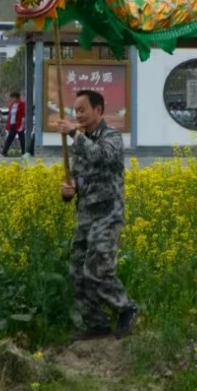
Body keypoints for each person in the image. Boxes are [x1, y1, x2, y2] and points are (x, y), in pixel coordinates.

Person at [57, 89, 137, 340]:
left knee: (97, 268)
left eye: (82, 110)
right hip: (86, 214)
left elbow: (102, 156)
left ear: (98, 110)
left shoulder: (111, 137)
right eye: (75, 110)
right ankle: (95, 324)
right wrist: (69, 191)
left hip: (108, 213)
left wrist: (73, 133)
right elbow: (79, 177)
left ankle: (126, 309)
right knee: (78, 271)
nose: (77, 115)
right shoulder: (81, 142)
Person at [1, 91, 26, 157]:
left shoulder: (22, 104)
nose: (12, 99)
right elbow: (10, 114)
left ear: (17, 98)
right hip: (12, 124)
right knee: (9, 138)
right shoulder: (11, 105)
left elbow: (23, 114)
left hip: (19, 124)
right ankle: (4, 152)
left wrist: (22, 125)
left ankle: (24, 152)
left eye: (13, 98)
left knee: (22, 139)